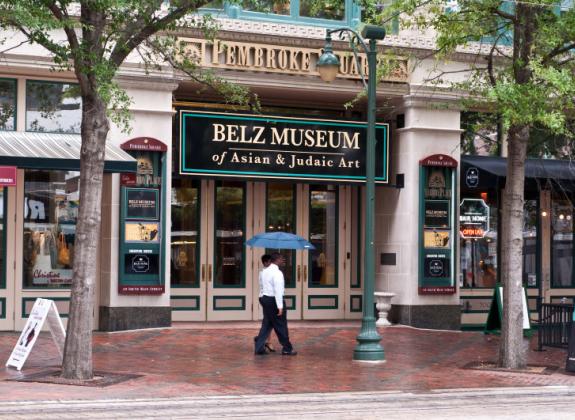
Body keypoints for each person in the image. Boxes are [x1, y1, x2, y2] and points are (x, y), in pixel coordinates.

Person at [254, 252, 297, 356]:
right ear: (276, 260)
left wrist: (262, 298)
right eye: (282, 258)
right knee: (281, 325)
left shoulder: (264, 271)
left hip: (265, 299)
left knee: (267, 324)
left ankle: (259, 347)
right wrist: (280, 306)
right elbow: (278, 291)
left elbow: (262, 286)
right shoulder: (277, 273)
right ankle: (287, 348)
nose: (283, 260)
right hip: (273, 300)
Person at [256, 254, 275, 352]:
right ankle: (263, 340)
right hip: (266, 298)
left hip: (265, 298)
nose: (272, 264)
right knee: (269, 321)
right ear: (265, 263)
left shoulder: (270, 272)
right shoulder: (264, 273)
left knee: (268, 321)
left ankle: (264, 340)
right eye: (270, 262)